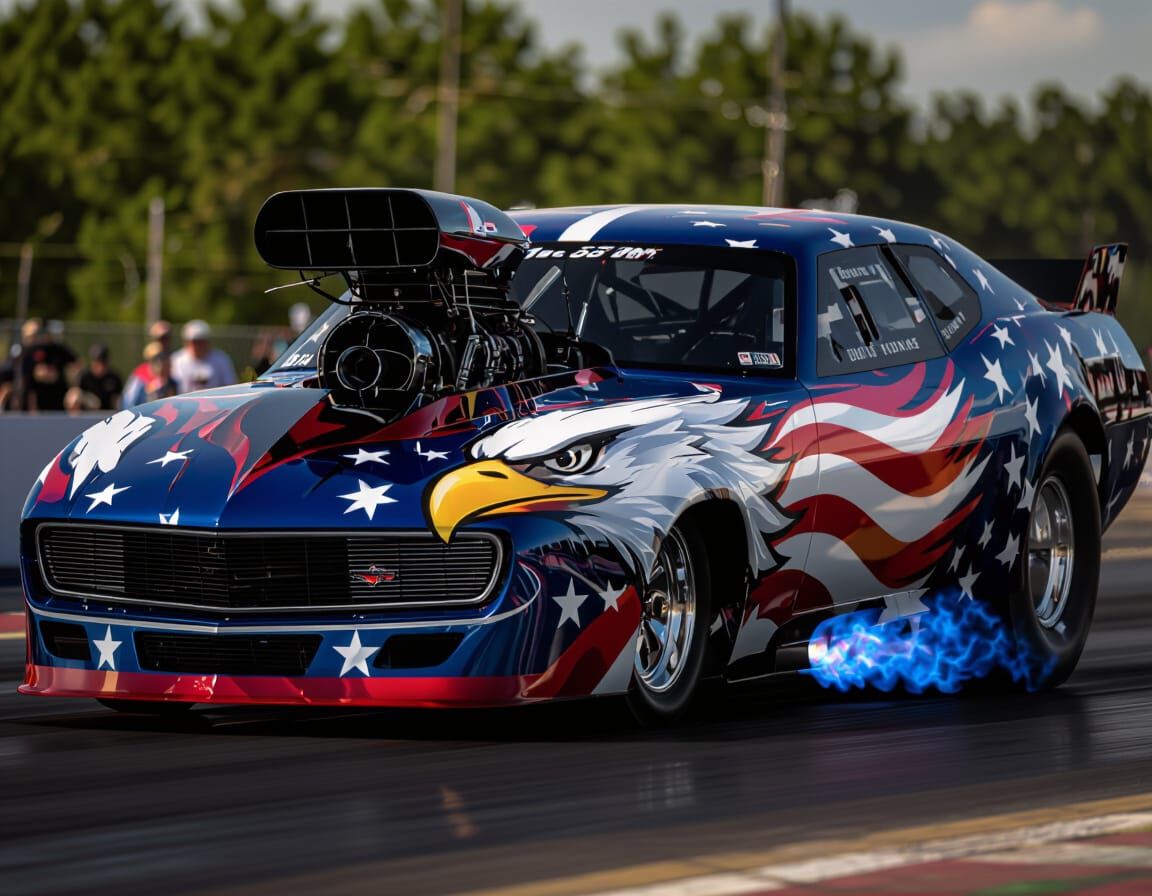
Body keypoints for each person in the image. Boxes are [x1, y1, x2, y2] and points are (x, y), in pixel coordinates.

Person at [16, 318, 77, 411]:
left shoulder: (59, 349)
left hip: (58, 394)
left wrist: (72, 381)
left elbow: (76, 364)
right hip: (37, 394)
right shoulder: (31, 350)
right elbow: (26, 376)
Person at [170, 319, 237, 393]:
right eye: (194, 341)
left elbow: (230, 387)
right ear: (186, 342)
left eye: (201, 341)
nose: (197, 345)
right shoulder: (176, 360)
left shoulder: (221, 359)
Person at [65, 343, 122, 412]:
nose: (100, 367)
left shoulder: (114, 378)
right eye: (97, 362)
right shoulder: (84, 376)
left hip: (108, 416)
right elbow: (73, 396)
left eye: (103, 362)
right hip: (87, 415)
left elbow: (118, 401)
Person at [121, 341, 178, 407]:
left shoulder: (170, 380)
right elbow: (129, 402)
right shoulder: (140, 376)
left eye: (163, 358)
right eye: (156, 359)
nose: (160, 363)